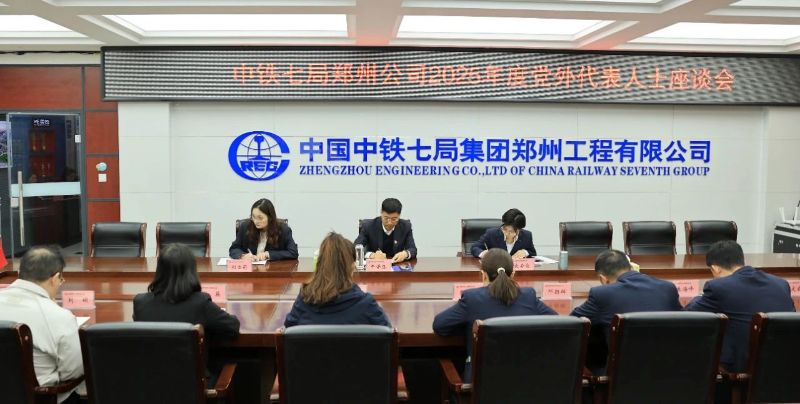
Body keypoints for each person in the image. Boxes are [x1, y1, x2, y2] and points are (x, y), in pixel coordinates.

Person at [432, 248, 556, 381]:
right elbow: (557, 324)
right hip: (527, 383)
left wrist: (469, 327)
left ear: (483, 275)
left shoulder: (472, 299)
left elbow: (440, 326)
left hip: (481, 385)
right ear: (513, 274)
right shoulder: (528, 296)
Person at [685, 240, 794, 373]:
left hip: (744, 369)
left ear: (715, 268)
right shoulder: (781, 284)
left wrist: (700, 296)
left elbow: (689, 315)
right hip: (787, 365)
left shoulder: (718, 287)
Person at [570, 249, 681, 373]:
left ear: (603, 279)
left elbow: (572, 323)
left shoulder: (601, 294)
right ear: (630, 267)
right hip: (668, 370)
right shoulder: (668, 288)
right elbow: (683, 323)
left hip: (621, 374)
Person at [0, 246, 83, 404]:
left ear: (19, 273)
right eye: (61, 280)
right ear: (55, 278)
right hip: (41, 399)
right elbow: (72, 372)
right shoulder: (58, 316)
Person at [134, 243, 240, 340]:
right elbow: (233, 326)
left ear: (159, 270)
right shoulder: (201, 303)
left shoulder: (140, 303)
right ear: (191, 272)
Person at [284, 232, 391, 327]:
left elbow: (288, 332)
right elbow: (387, 333)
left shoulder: (304, 300)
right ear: (352, 267)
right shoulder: (366, 304)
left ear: (319, 264)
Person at [229, 198, 298, 261]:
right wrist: (243, 256)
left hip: (272, 268)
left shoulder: (283, 229)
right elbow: (234, 249)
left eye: (260, 218)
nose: (256, 221)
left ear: (270, 217)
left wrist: (268, 254)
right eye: (253, 217)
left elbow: (293, 252)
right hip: (250, 268)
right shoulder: (245, 227)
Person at [354, 197, 416, 263]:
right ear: (381, 213)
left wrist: (405, 254)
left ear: (399, 215)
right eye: (386, 218)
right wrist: (372, 255)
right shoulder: (368, 226)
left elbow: (413, 249)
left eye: (394, 219)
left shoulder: (405, 226)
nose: (389, 222)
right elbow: (355, 248)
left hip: (396, 265)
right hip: (375, 265)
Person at [470, 208, 537, 259]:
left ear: (519, 229)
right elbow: (475, 247)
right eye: (505, 229)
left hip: (517, 271)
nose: (507, 233)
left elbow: (533, 252)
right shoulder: (491, 233)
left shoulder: (527, 236)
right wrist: (484, 254)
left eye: (511, 231)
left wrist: (525, 252)